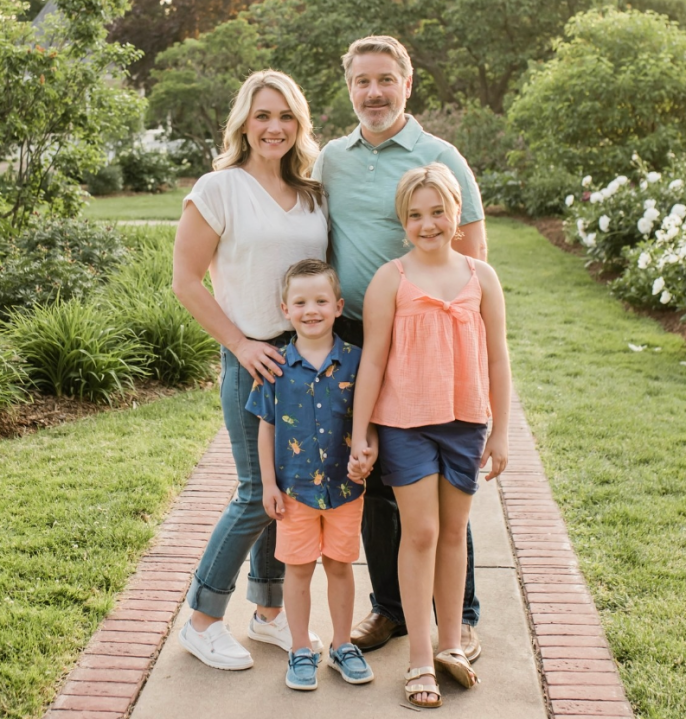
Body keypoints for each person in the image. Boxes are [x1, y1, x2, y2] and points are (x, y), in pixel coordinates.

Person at [312, 35, 488, 660]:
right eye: (362, 81)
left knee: (442, 490)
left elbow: (471, 253)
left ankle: (458, 616)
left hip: (425, 339)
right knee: (379, 478)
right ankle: (390, 609)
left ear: (407, 85)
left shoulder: (440, 155)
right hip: (356, 337)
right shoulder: (331, 157)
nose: (374, 92)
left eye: (386, 79)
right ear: (350, 88)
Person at [172, 70, 328, 670]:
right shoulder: (218, 189)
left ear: (299, 125)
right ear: (244, 122)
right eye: (263, 115)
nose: (274, 127)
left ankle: (267, 614)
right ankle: (203, 620)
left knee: (284, 495)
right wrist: (239, 343)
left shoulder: (312, 193)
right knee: (250, 494)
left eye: (285, 116)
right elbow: (186, 281)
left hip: (304, 361)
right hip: (253, 358)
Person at [350, 163, 511, 708]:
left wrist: (500, 432)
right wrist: (361, 432)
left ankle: (451, 647)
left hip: (465, 422)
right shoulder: (390, 279)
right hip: (405, 423)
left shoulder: (480, 277)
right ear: (403, 221)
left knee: (452, 533)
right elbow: (372, 361)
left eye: (437, 212)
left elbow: (497, 359)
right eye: (415, 215)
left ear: (456, 214)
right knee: (418, 533)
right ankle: (419, 656)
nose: (428, 224)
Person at [246, 259, 375, 691]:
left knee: (340, 566)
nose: (311, 310)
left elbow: (368, 421)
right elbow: (265, 428)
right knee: (298, 572)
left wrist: (367, 451)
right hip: (295, 492)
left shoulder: (357, 363)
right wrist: (267, 484)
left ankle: (342, 645)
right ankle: (300, 648)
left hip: (345, 488)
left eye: (321, 300)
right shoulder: (275, 366)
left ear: (338, 306)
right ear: (286, 309)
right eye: (300, 302)